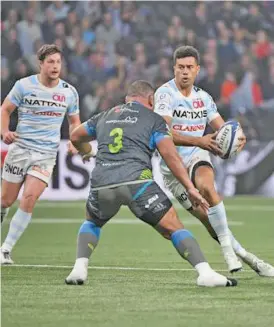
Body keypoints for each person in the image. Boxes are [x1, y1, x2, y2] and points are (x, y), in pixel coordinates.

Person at [65, 80, 237, 287]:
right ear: (150, 99)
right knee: (173, 227)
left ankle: (79, 269)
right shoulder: (155, 120)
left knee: (92, 222)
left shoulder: (105, 115)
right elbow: (171, 156)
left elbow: (75, 136)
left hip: (102, 183)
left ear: (128, 98)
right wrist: (190, 188)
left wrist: (87, 152)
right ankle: (205, 272)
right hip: (137, 183)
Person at [154, 45, 274, 277]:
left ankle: (228, 251)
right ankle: (250, 259)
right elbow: (164, 133)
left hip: (198, 157)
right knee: (209, 222)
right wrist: (199, 140)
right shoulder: (165, 94)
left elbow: (223, 128)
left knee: (208, 187)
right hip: (172, 167)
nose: (185, 72)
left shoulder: (204, 98)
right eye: (180, 67)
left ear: (197, 69)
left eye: (189, 67)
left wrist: (238, 138)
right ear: (174, 68)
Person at [1, 44, 81, 264]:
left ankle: (5, 249)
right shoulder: (24, 86)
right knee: (5, 201)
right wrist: (5, 131)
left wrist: (75, 141)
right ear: (41, 64)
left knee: (29, 198)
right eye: (50, 62)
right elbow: (5, 110)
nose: (55, 66)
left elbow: (74, 121)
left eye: (58, 62)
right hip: (20, 150)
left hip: (45, 154)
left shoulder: (68, 91)